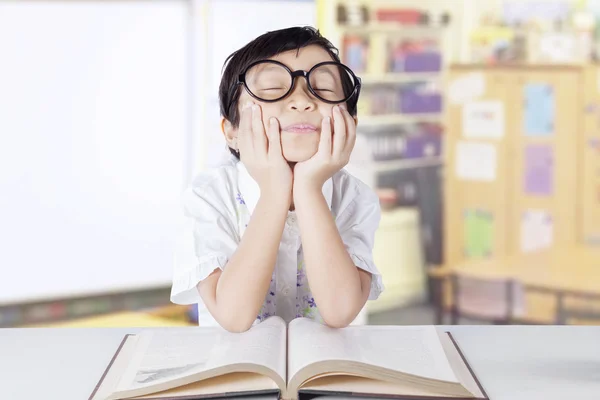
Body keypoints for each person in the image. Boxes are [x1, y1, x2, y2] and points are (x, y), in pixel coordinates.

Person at [171, 26, 383, 332]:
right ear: (232, 131)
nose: (301, 101)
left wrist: (308, 188)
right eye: (272, 89)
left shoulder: (355, 199)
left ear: (350, 123)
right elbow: (233, 316)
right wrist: (274, 190)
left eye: (322, 90)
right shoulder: (208, 197)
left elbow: (340, 311)